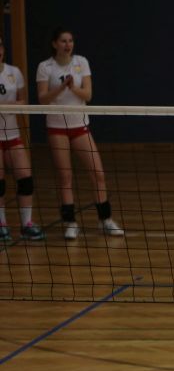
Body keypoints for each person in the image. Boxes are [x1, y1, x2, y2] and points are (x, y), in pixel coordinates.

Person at [35, 27, 124, 240]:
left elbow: (88, 94)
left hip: (80, 126)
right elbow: (42, 99)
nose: (68, 44)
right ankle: (70, 223)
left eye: (70, 41)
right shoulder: (45, 67)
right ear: (55, 44)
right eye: (63, 41)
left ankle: (105, 220)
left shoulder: (81, 62)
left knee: (98, 173)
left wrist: (73, 87)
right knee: (65, 176)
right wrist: (61, 88)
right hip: (57, 127)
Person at [0, 38, 44, 243]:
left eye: (0, 46)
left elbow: (22, 101)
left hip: (12, 135)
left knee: (25, 178)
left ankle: (27, 224)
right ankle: (2, 225)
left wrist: (9, 106)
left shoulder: (14, 72)